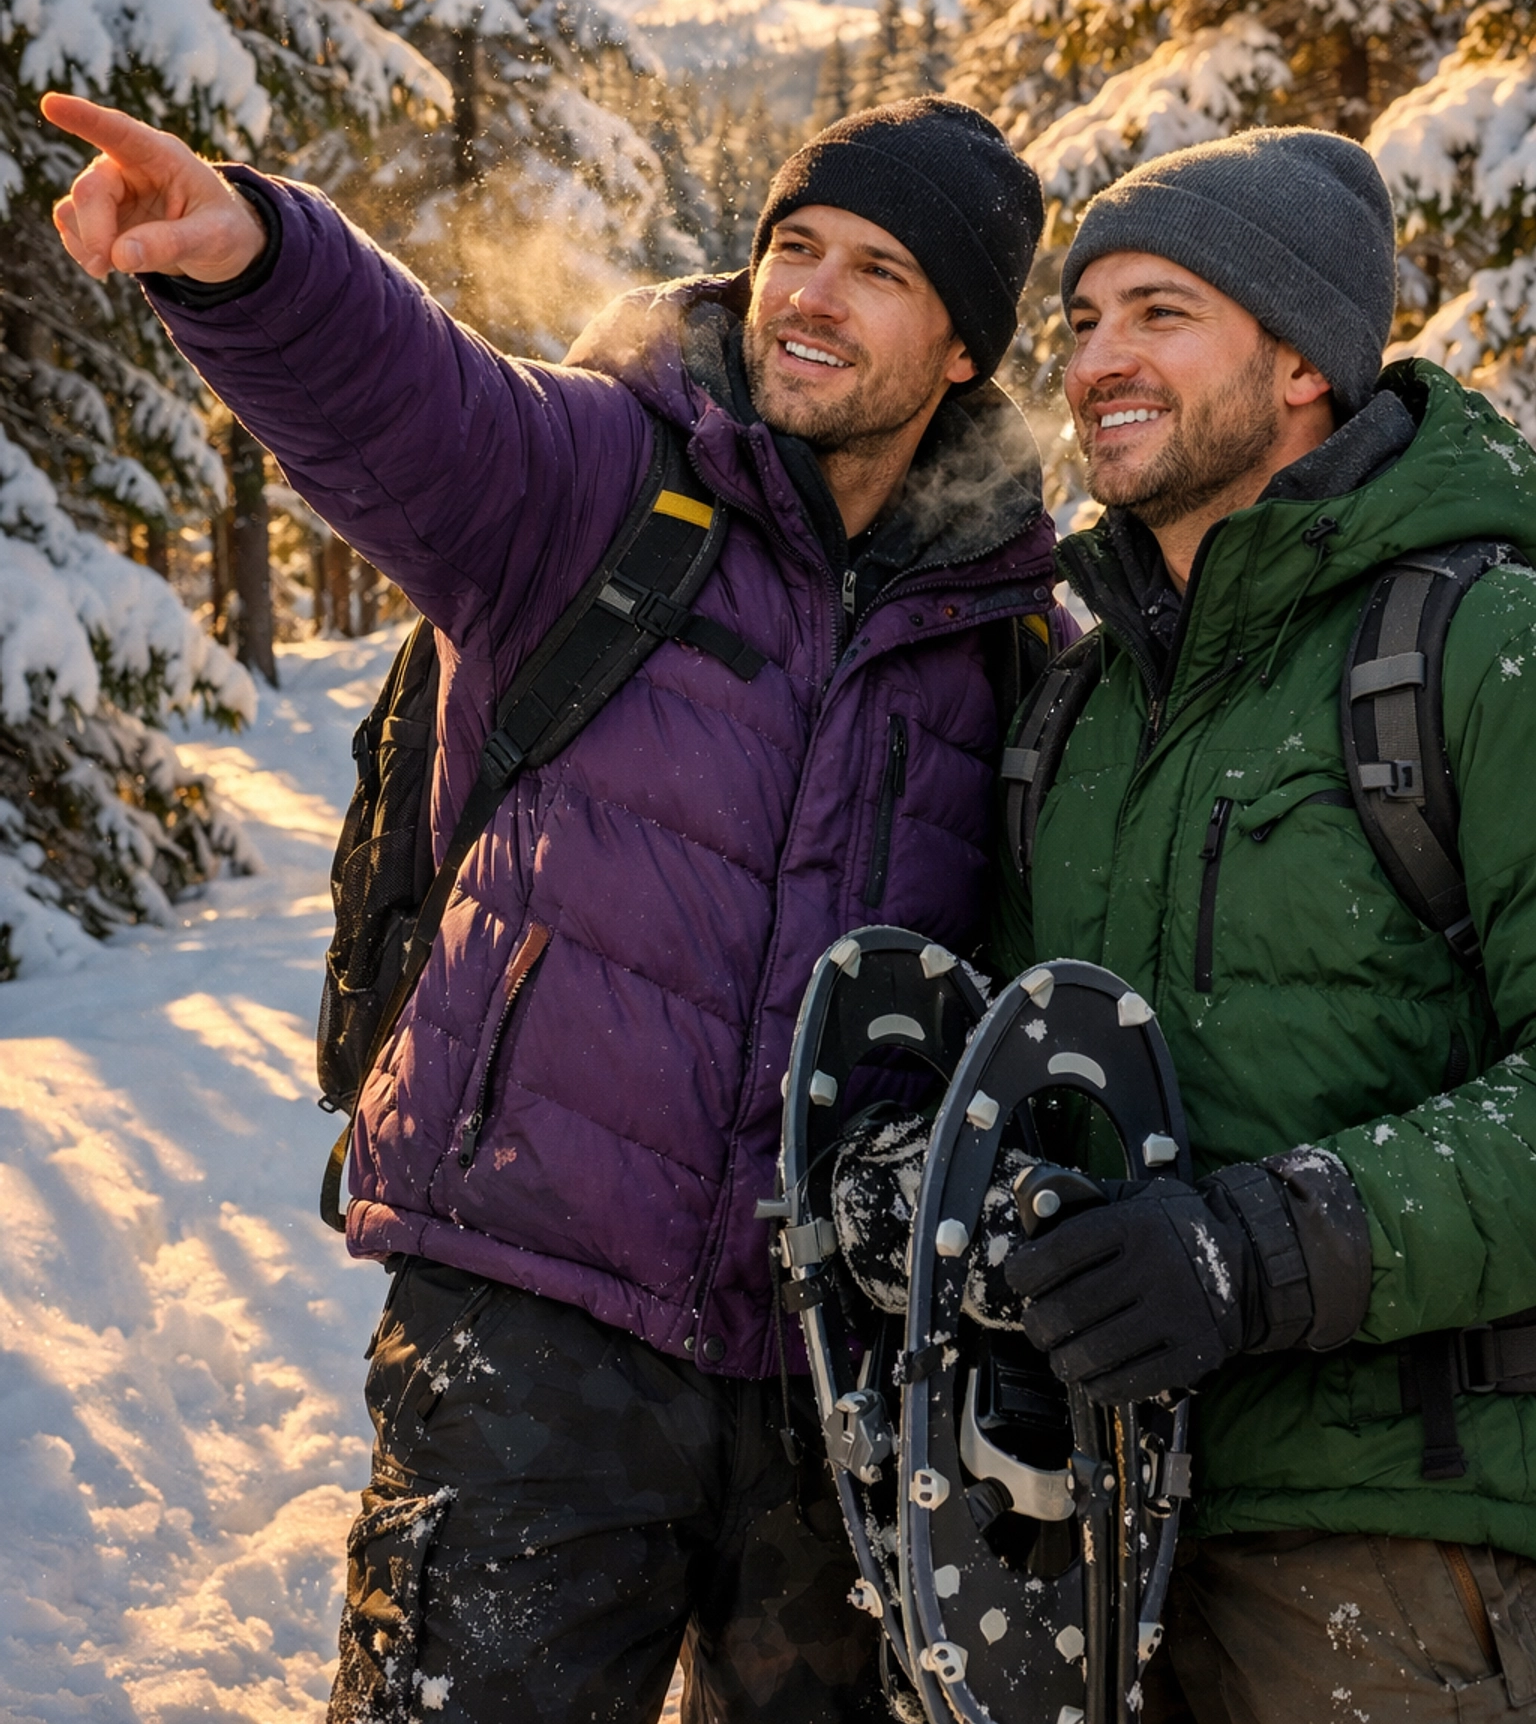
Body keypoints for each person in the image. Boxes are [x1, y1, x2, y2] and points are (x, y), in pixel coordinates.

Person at [42, 87, 1067, 1724]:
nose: (809, 291)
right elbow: (421, 403)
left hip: (837, 1384)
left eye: (878, 268)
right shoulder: (605, 484)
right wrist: (252, 262)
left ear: (962, 350)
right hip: (536, 1326)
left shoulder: (1014, 641)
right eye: (793, 243)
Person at [992, 128, 1536, 1722]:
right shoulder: (1080, 702)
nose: (1098, 361)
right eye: (1081, 320)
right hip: (1101, 1540)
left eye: (1160, 311)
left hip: (1407, 1557)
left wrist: (1259, 1249)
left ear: (1301, 360)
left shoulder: (1478, 640)